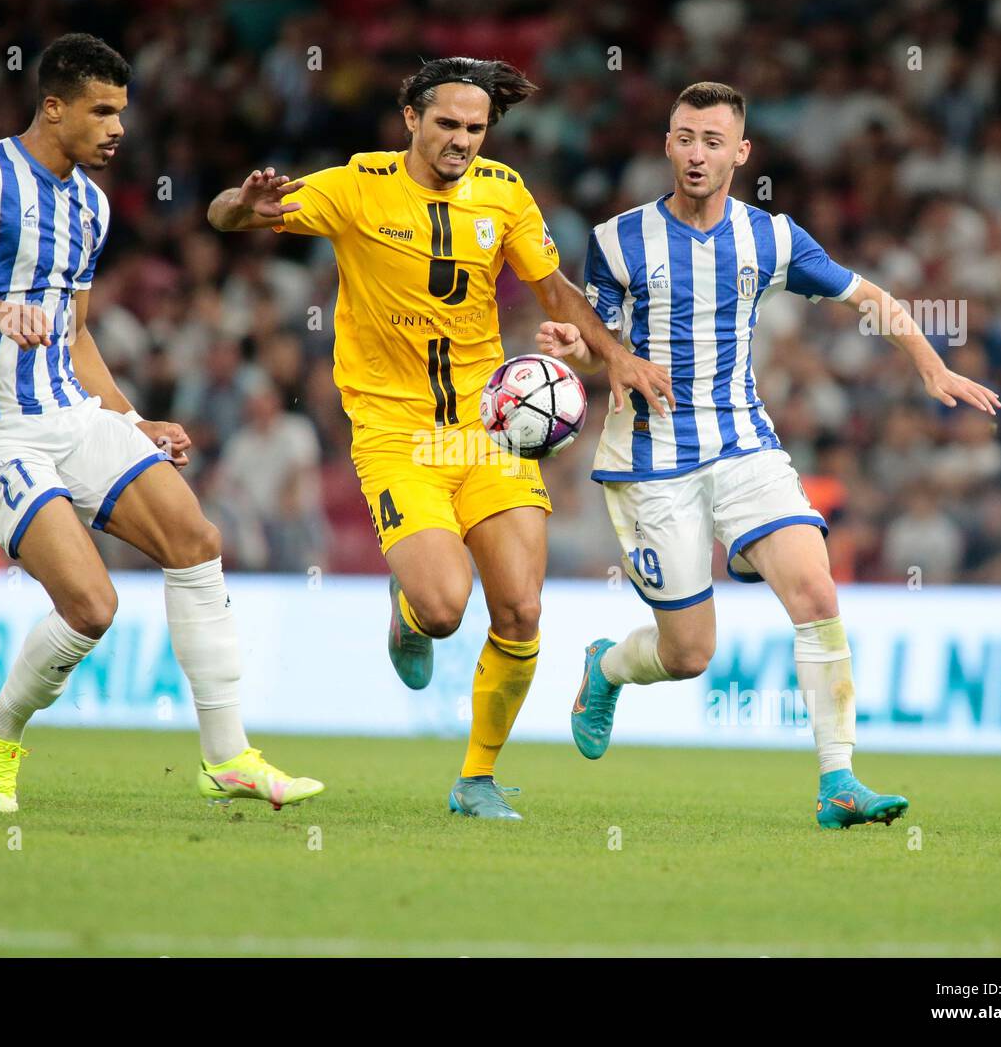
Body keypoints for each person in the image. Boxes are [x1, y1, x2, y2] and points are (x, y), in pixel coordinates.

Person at [208, 57, 671, 819]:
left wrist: (613, 356)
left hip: (489, 429)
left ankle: (476, 780)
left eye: (476, 129)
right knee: (446, 607)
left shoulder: (505, 192)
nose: (462, 140)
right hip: (397, 434)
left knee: (520, 610)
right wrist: (242, 203)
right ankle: (410, 611)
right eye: (449, 125)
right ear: (412, 121)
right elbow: (228, 216)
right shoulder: (357, 186)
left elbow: (555, 289)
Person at [0, 33, 322, 814]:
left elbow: (74, 334)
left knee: (195, 539)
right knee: (93, 607)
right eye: (101, 110)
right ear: (53, 107)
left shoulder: (91, 205)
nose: (118, 127)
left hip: (71, 414)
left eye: (123, 111)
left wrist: (131, 418)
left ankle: (228, 758)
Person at [538, 82, 1001, 829]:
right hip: (652, 460)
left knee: (816, 597)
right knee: (689, 654)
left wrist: (930, 365)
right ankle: (607, 664)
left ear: (740, 153)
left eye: (712, 141)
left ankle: (838, 781)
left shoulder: (773, 237)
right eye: (684, 137)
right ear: (666, 144)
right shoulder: (617, 240)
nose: (696, 153)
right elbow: (603, 350)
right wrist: (578, 346)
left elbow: (865, 295)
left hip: (745, 447)